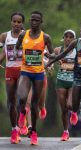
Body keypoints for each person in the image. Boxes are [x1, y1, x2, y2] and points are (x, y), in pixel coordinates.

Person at [15, 11, 53, 145]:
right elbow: (16, 47)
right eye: (32, 20)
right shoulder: (23, 34)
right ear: (29, 21)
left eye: (37, 20)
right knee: (22, 98)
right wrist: (17, 53)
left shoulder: (45, 37)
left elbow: (51, 53)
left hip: (38, 73)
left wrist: (50, 60)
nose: (34, 22)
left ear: (41, 22)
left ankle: (34, 133)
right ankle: (22, 114)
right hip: (25, 71)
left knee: (35, 105)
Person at [0, 12, 25, 144]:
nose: (16, 24)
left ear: (22, 23)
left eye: (19, 22)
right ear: (11, 22)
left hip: (23, 71)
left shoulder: (27, 36)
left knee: (21, 99)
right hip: (10, 71)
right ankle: (14, 130)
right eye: (14, 21)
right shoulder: (5, 36)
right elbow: (3, 52)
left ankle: (22, 117)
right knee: (11, 101)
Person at [54, 29, 77, 141]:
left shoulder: (78, 50)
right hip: (61, 80)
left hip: (73, 80)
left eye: (71, 37)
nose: (68, 39)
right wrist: (50, 65)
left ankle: (74, 111)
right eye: (66, 36)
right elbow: (51, 58)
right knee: (63, 109)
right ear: (63, 38)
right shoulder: (59, 50)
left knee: (69, 104)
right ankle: (65, 131)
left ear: (74, 39)